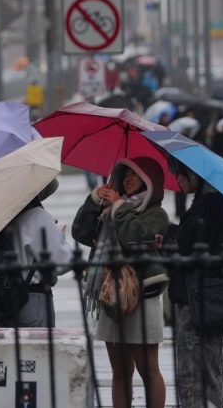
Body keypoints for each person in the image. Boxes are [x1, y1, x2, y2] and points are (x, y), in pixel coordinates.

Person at [72, 158, 170, 408]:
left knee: (148, 369)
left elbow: (136, 238)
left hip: (142, 297)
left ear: (148, 180)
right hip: (111, 295)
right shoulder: (109, 210)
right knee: (120, 371)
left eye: (134, 174)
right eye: (124, 173)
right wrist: (96, 199)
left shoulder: (155, 213)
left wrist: (119, 208)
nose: (127, 178)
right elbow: (81, 232)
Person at [167, 160, 223, 408]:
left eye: (179, 176)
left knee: (191, 370)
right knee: (211, 366)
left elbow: (186, 249)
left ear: (193, 175)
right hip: (215, 300)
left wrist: (169, 241)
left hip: (196, 300)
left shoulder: (204, 208)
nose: (177, 181)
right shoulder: (217, 204)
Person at [8, 178, 74, 327]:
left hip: (7, 300)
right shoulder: (36, 216)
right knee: (40, 349)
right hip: (34, 299)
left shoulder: (6, 216)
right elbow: (62, 263)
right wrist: (60, 239)